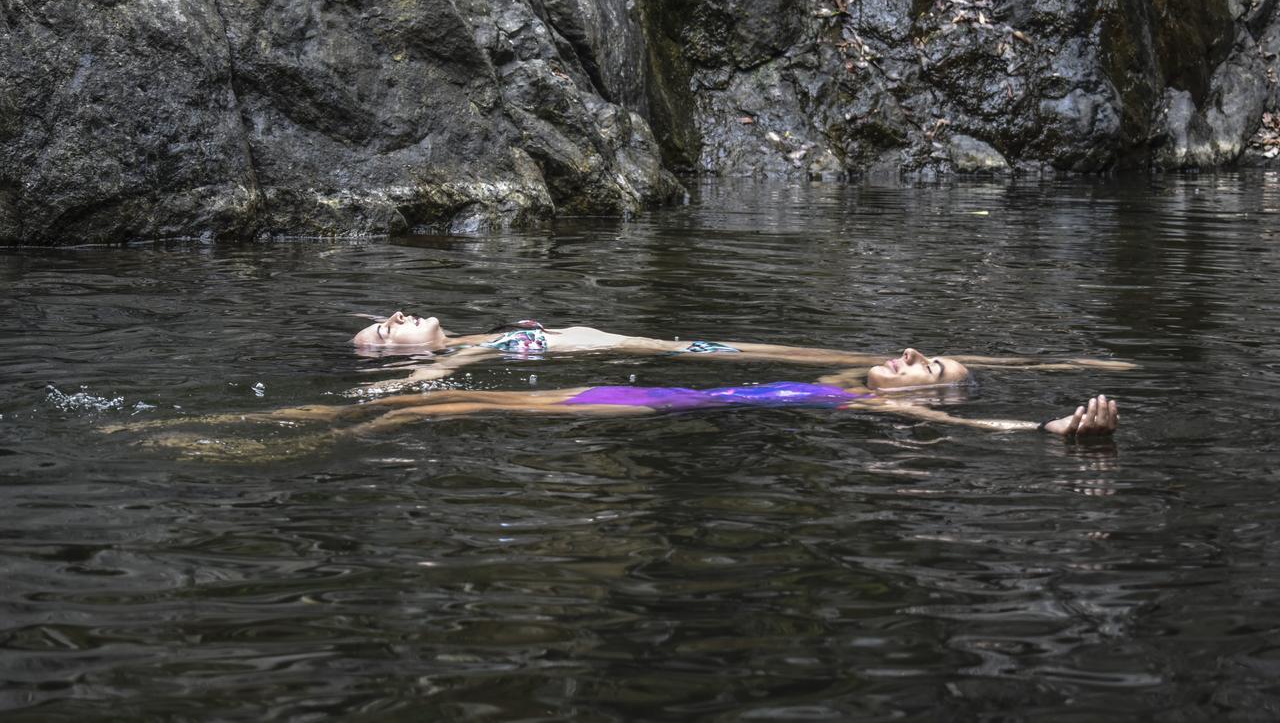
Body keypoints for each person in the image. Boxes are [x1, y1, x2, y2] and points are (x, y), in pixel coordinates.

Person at [328, 346, 1120, 439]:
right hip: (663, 393)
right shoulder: (837, 382)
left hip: (664, 405)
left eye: (931, 370)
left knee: (463, 402)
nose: (913, 359)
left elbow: (986, 427)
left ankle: (340, 424)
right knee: (461, 400)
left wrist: (1044, 427)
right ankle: (349, 419)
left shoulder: (875, 406)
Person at [349, 310, 1134, 394]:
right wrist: (419, 373)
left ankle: (1033, 366)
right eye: (388, 330)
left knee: (830, 350)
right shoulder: (467, 356)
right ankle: (1030, 369)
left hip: (675, 344)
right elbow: (432, 373)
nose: (394, 315)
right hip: (670, 351)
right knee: (820, 355)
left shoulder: (477, 332)